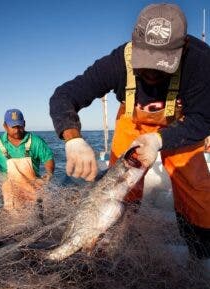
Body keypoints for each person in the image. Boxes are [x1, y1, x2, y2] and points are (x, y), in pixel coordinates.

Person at [49, 3, 210, 267]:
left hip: (180, 128)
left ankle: (201, 260)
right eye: (145, 61)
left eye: (162, 65)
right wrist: (73, 138)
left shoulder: (202, 63)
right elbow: (64, 95)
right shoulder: (117, 62)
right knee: (120, 188)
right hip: (133, 126)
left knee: (199, 193)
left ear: (183, 50)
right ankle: (107, 249)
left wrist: (159, 140)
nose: (151, 73)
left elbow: (204, 118)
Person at [0, 108, 55, 213]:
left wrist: (49, 173)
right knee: (14, 217)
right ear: (5, 126)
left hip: (33, 187)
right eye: (13, 127)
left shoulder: (35, 141)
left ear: (24, 124)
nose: (17, 130)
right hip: (11, 191)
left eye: (20, 126)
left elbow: (48, 158)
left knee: (38, 215)